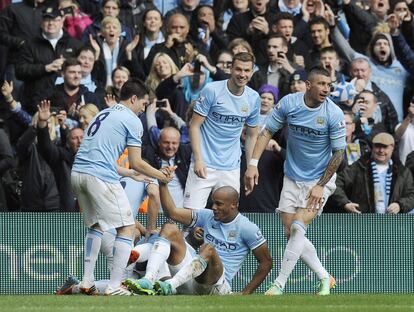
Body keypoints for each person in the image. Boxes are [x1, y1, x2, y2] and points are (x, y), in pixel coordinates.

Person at [245, 66, 346, 295]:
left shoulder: (334, 113)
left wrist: (320, 186)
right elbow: (266, 132)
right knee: (291, 232)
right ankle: (324, 277)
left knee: (299, 226)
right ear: (308, 85)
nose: (326, 89)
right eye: (321, 84)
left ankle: (279, 283)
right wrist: (253, 165)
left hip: (320, 179)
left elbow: (339, 153)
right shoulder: (290, 104)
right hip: (292, 176)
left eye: (329, 85)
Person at [71, 80, 175, 295]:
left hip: (78, 173)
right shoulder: (132, 120)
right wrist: (161, 176)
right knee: (127, 227)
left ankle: (87, 280)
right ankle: (115, 285)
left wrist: (128, 173)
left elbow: (104, 156)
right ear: (134, 99)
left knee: (96, 226)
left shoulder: (103, 113)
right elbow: (137, 161)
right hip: (100, 177)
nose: (143, 109)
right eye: (144, 104)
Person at [124, 184, 272, 295]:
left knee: (208, 249)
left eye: (218, 204)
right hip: (189, 277)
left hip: (215, 287)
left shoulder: (247, 227)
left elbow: (266, 262)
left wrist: (246, 293)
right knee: (169, 228)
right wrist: (163, 184)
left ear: (233, 204)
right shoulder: (207, 216)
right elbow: (172, 212)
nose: (213, 207)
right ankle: (149, 279)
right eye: (213, 202)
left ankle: (168, 284)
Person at [185, 52, 260, 209]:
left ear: (252, 72)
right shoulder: (212, 90)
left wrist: (251, 166)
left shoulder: (254, 98)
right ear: (230, 69)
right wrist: (198, 159)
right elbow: (194, 125)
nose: (242, 74)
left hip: (231, 167)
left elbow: (252, 136)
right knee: (192, 217)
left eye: (247, 70)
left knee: (227, 218)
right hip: (204, 163)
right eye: (238, 69)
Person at [331, 132, 414, 214]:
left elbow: (411, 196)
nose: (381, 150)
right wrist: (345, 203)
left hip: (393, 223)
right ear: (372, 147)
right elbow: (335, 184)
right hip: (363, 222)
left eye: (385, 147)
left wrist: (400, 205)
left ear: (392, 147)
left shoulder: (403, 172)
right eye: (378, 146)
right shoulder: (358, 167)